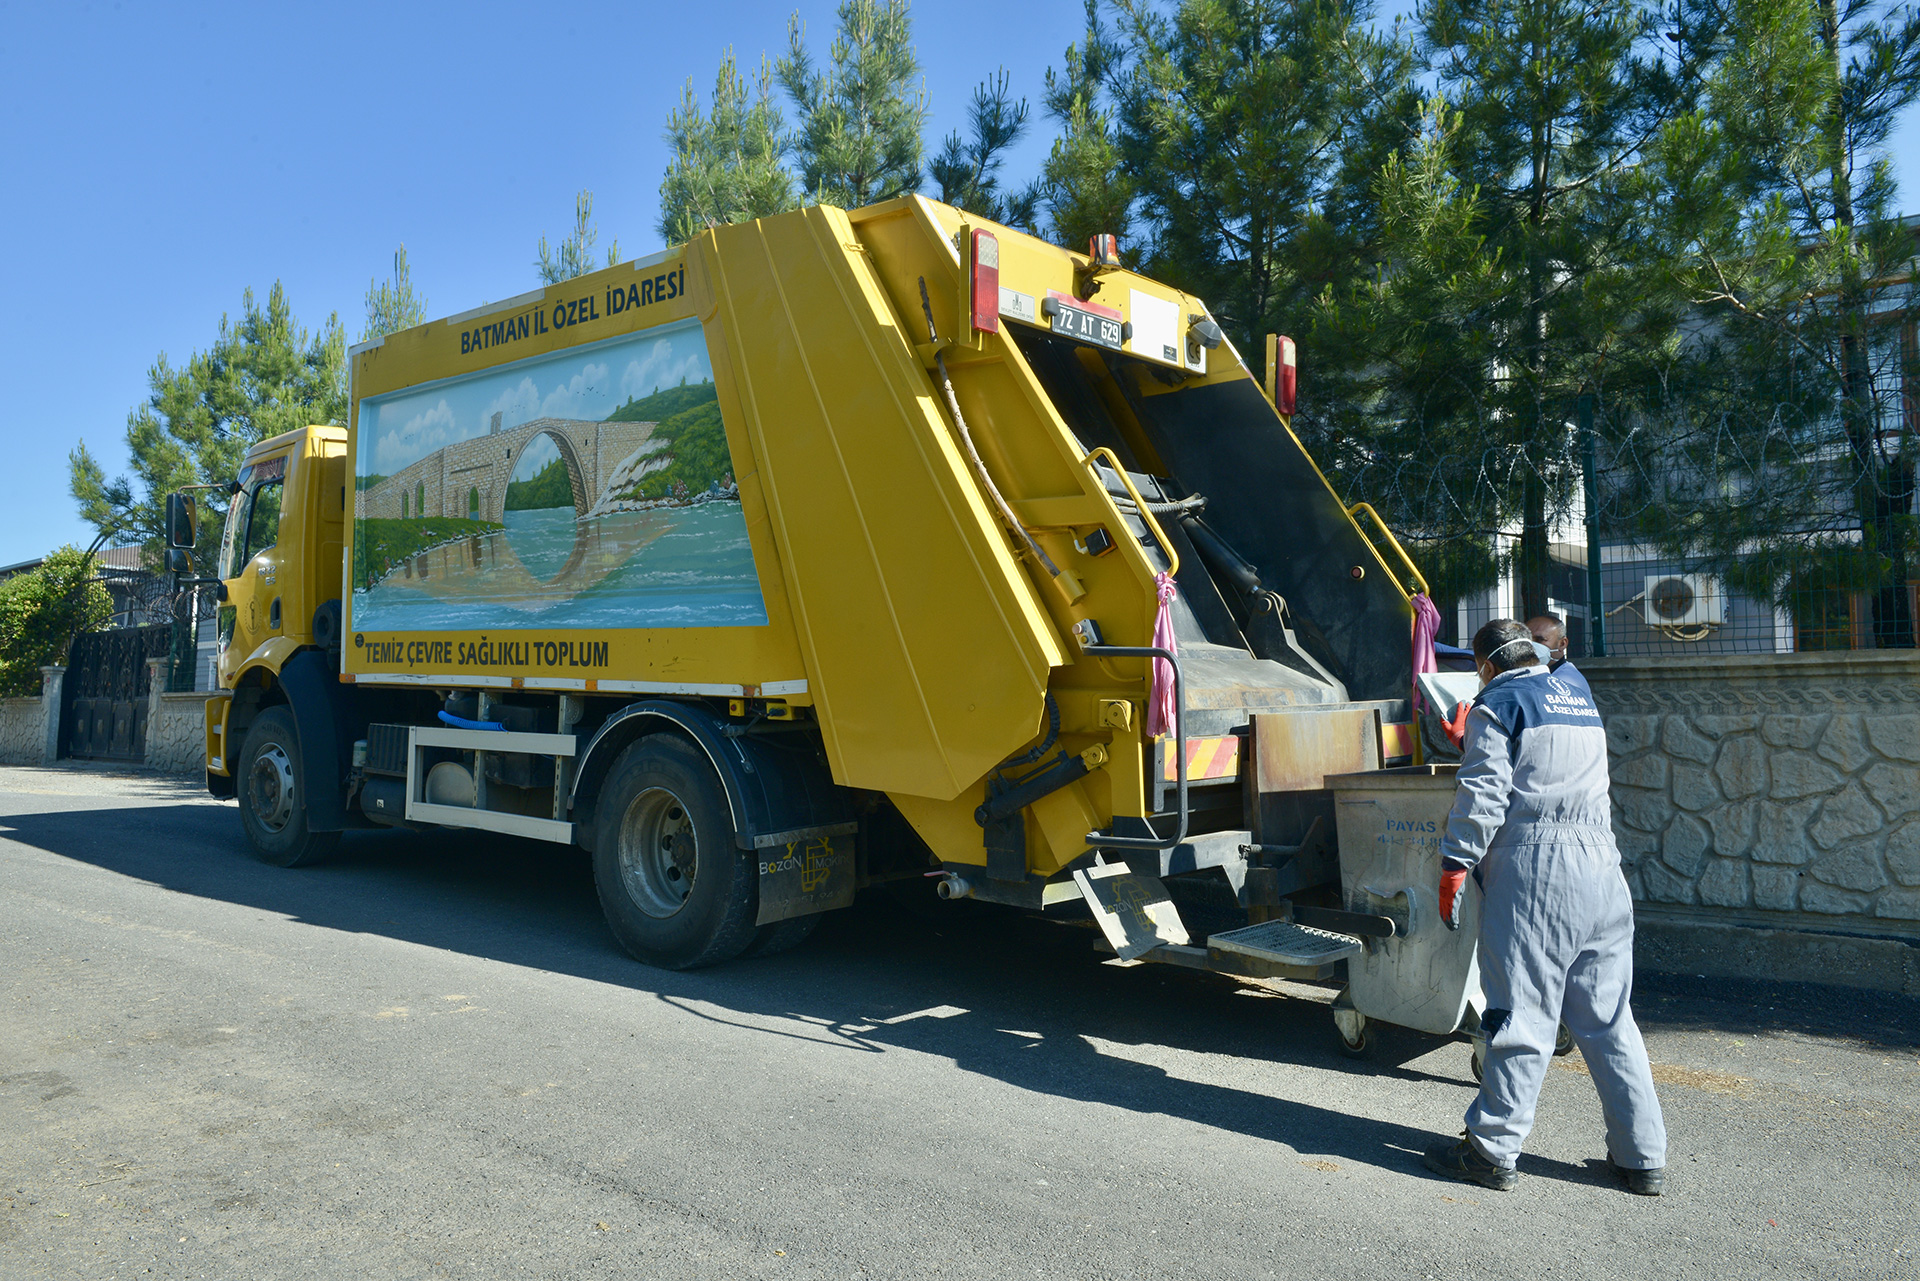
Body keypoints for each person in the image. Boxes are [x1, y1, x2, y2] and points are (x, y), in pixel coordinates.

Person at [1422, 618, 1668, 1196]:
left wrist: (1456, 862)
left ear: (1483, 666)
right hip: (1601, 870)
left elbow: (1484, 792)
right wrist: (1478, 734)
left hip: (1538, 873)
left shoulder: (1496, 703)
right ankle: (1642, 1158)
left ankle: (1490, 1151)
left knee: (1521, 1014)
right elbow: (1544, 761)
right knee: (1609, 1020)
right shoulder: (1576, 692)